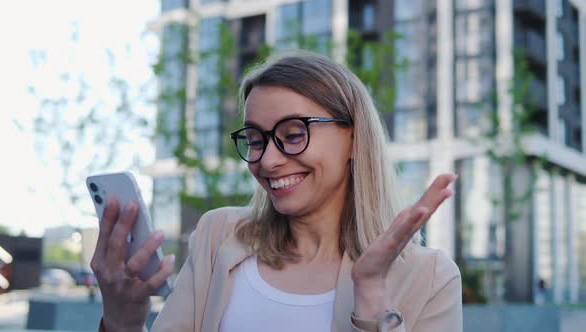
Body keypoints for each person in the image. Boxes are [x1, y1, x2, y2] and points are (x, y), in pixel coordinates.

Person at [91, 51, 462, 332]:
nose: (267, 161)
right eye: (255, 140)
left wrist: (368, 300)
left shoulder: (430, 277)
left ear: (353, 137)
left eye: (293, 135)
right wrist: (121, 321)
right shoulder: (217, 236)